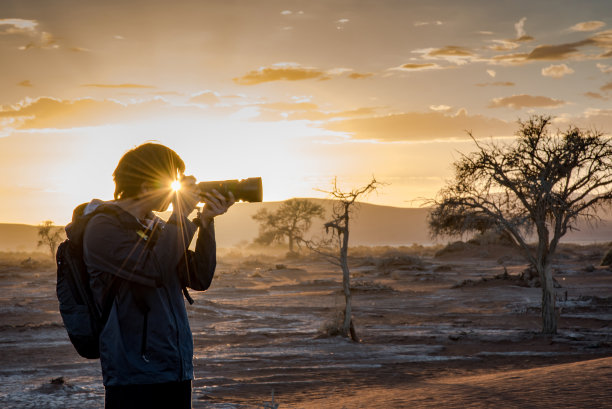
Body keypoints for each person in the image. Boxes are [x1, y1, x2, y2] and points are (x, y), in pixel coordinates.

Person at [79, 143, 234, 408]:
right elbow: (154, 269)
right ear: (145, 183)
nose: (178, 188)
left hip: (175, 367)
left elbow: (199, 277)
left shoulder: (157, 225)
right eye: (173, 180)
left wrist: (206, 222)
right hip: (134, 375)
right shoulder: (102, 228)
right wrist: (180, 216)